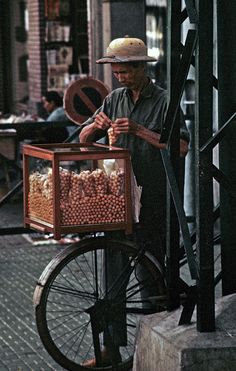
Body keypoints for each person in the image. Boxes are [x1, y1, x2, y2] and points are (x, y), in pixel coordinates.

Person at [79, 36, 190, 367]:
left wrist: (141, 131)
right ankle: (110, 351)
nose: (119, 76)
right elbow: (84, 139)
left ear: (142, 68)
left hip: (155, 199)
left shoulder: (165, 101)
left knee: (150, 274)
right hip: (119, 200)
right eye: (115, 71)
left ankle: (153, 348)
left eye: (125, 71)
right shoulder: (113, 99)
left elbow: (182, 147)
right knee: (113, 278)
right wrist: (93, 127)